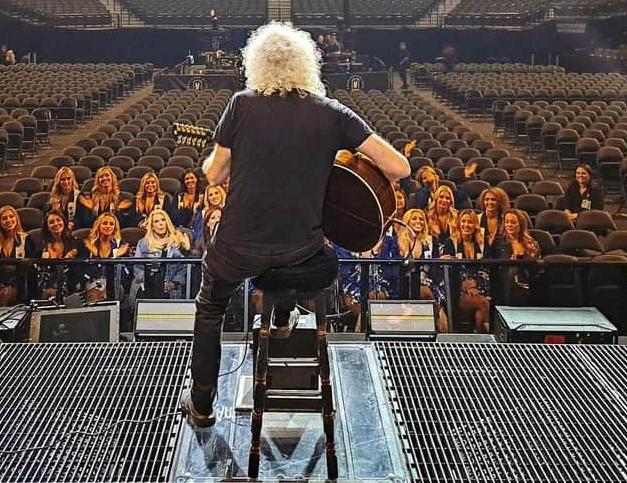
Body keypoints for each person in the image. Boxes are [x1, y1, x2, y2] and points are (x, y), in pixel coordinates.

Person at [183, 21, 410, 428]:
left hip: (237, 247)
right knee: (297, 262)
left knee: (210, 306)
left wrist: (214, 159)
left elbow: (214, 176)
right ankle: (284, 315)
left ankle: (201, 405)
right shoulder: (332, 112)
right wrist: (347, 167)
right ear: (308, 63)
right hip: (299, 248)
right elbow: (399, 166)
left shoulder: (240, 104)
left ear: (257, 65)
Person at [395, 208, 449, 333]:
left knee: (425, 291)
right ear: (407, 221)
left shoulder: (431, 242)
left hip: (429, 284)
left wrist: (438, 261)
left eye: (421, 219)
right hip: (403, 285)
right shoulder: (396, 241)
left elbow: (435, 270)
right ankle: (435, 318)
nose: (418, 221)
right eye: (414, 218)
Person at [443, 209, 491, 333]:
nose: (466, 225)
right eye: (463, 221)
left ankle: (481, 343)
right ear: (458, 224)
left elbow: (487, 269)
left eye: (470, 222)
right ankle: (492, 334)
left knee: (479, 316)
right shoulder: (451, 243)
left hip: (481, 289)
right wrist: (466, 287)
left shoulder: (482, 244)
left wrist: (477, 286)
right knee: (484, 303)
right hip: (458, 292)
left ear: (475, 225)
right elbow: (450, 272)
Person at [0, 205, 36, 306]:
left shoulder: (26, 240)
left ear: (16, 218)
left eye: (11, 217)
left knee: (6, 293)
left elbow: (31, 267)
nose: (8, 220)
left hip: (21, 283)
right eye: (4, 218)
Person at [134, 209, 191, 299]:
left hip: (170, 289)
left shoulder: (177, 241)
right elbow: (137, 266)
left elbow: (184, 267)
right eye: (156, 221)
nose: (160, 223)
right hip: (148, 287)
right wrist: (143, 283)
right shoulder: (143, 243)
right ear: (152, 226)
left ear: (167, 222)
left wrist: (175, 282)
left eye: (163, 220)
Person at [488, 210, 541, 305]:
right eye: (507, 222)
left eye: (513, 222)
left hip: (527, 281)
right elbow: (493, 266)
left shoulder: (531, 243)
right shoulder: (498, 243)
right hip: (504, 283)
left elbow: (536, 266)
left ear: (520, 224)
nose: (509, 225)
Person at [79, 212, 131, 303]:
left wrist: (115, 254)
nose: (108, 226)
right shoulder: (89, 244)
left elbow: (125, 273)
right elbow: (82, 270)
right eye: (104, 223)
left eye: (111, 224)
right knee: (95, 295)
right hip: (93, 283)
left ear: (115, 227)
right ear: (99, 225)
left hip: (115, 283)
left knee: (113, 292)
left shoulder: (121, 245)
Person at [34, 210, 79, 300]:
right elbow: (36, 268)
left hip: (69, 283)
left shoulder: (74, 242)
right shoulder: (42, 245)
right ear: (47, 227)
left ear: (63, 222)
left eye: (58, 220)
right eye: (51, 222)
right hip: (46, 284)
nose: (56, 224)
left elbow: (77, 269)